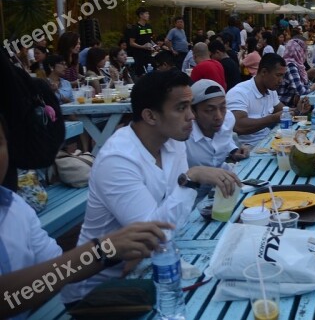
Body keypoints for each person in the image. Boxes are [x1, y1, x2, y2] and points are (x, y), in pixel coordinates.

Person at [61, 70, 241, 303]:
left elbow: (173, 221)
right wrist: (192, 178)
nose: (191, 117)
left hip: (151, 265)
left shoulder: (172, 142)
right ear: (150, 116)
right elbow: (155, 234)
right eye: (181, 108)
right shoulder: (118, 160)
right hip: (100, 292)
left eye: (190, 107)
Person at [0, 119, 172, 318]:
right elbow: (9, 299)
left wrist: (112, 249)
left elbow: (58, 273)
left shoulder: (15, 207)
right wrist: (101, 250)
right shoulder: (117, 156)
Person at [226, 53, 309, 146]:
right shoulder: (239, 93)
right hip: (247, 148)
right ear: (264, 72)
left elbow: (283, 111)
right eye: (278, 75)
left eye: (283, 76)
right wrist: (272, 118)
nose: (281, 80)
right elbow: (238, 126)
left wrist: (298, 110)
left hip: (267, 141)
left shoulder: (270, 90)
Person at [186, 79, 250, 169]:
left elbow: (225, 138)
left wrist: (234, 151)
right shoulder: (184, 136)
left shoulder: (228, 119)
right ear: (193, 112)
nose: (219, 117)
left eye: (223, 107)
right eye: (210, 110)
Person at [276, 38, 312, 107]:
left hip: (291, 103)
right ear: (299, 51)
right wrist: (313, 87)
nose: (305, 53)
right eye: (304, 51)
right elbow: (301, 92)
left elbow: (304, 84)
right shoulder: (290, 65)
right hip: (285, 106)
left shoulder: (297, 65)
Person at [125, 7, 154, 76]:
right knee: (141, 73)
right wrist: (142, 47)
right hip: (139, 55)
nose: (148, 15)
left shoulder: (149, 26)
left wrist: (154, 46)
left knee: (150, 72)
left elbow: (150, 39)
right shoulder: (135, 28)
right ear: (141, 15)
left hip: (149, 54)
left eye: (148, 13)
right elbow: (131, 43)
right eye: (146, 13)